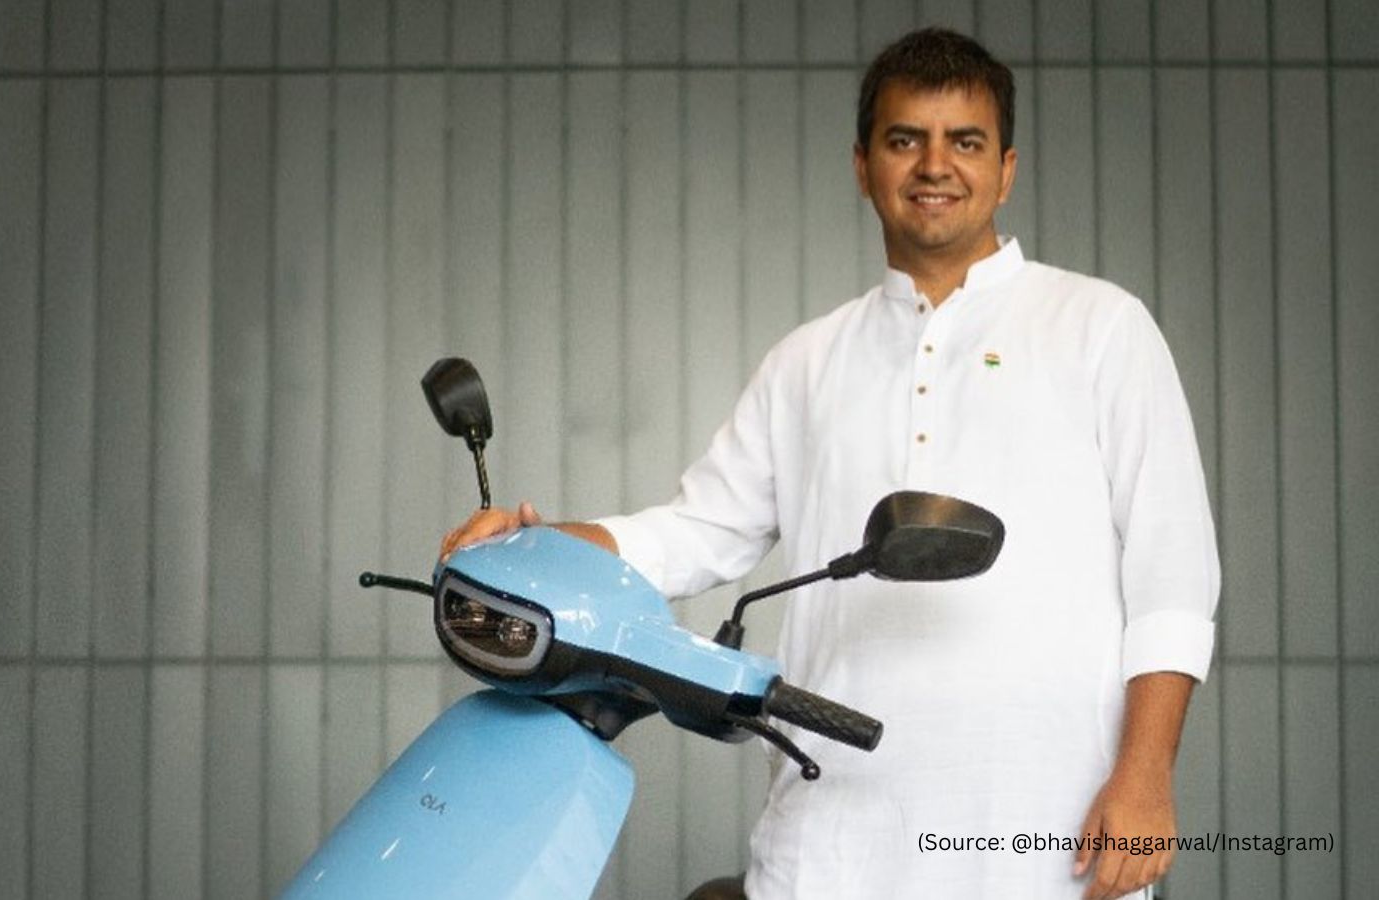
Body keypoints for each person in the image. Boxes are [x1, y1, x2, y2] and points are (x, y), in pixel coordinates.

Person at [440, 28, 1218, 900]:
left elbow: (1174, 573)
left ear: (1006, 170)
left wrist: (1146, 775)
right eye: (904, 140)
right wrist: (540, 544)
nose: (934, 165)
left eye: (964, 142)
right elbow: (699, 531)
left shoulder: (1100, 327)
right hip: (832, 841)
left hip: (1043, 836)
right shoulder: (807, 361)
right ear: (862, 165)